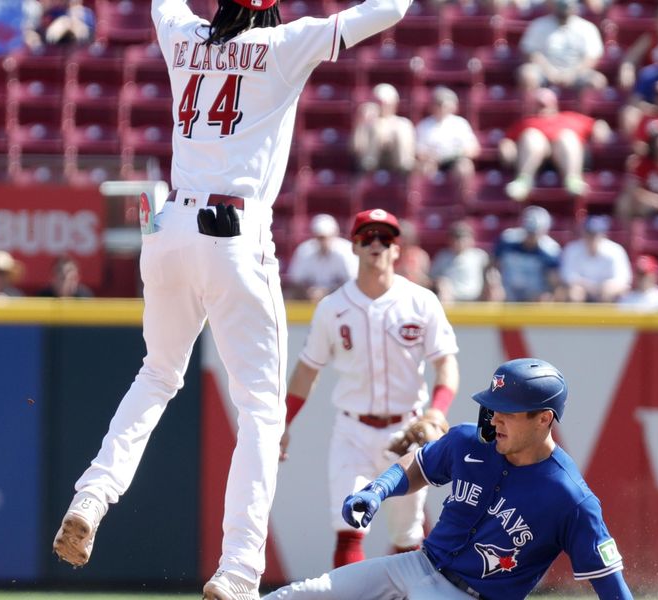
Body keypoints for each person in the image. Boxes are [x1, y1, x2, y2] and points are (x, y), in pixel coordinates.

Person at [51, 0, 416, 598]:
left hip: (167, 225)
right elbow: (390, 8)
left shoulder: (180, 33)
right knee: (262, 414)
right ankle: (239, 572)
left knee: (157, 374)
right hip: (235, 232)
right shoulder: (285, 44)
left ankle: (91, 497)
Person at [263, 358, 634, 600]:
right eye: (493, 407)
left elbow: (610, 585)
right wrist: (377, 491)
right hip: (417, 565)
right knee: (299, 595)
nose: (494, 418)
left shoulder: (570, 498)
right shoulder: (469, 440)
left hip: (473, 596)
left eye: (507, 411)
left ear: (544, 419)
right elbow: (419, 465)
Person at [280, 208, 459, 569]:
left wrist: (438, 409)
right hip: (353, 429)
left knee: (407, 536)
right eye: (367, 237)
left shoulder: (421, 301)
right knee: (349, 524)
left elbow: (446, 363)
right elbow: (306, 371)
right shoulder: (332, 307)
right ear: (355, 247)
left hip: (408, 430)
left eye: (385, 238)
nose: (376, 244)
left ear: (397, 249)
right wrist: (282, 422)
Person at [500, 87, 612, 201]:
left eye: (546, 103)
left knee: (566, 137)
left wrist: (601, 128)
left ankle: (573, 180)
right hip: (537, 156)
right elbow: (508, 140)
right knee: (531, 136)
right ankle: (523, 181)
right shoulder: (526, 122)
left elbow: (596, 124)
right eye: (539, 103)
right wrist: (507, 147)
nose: (543, 106)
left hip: (566, 153)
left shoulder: (570, 117)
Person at [517, 0, 606, 93]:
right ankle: (532, 106)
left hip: (576, 74)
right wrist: (550, 72)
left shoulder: (587, 27)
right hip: (545, 72)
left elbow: (591, 58)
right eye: (561, 7)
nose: (564, 11)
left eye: (567, 7)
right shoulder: (539, 25)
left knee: (597, 81)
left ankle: (584, 107)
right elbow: (531, 53)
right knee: (527, 74)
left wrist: (572, 74)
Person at [414, 86, 479, 188]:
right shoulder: (424, 125)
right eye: (438, 104)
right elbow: (418, 151)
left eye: (445, 104)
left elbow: (474, 149)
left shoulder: (460, 123)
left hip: (455, 161)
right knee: (423, 168)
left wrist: (456, 154)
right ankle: (427, 199)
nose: (441, 108)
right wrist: (431, 157)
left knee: (465, 167)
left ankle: (463, 201)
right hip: (432, 161)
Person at [494, 205, 562, 302]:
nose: (530, 236)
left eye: (534, 233)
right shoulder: (508, 240)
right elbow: (494, 265)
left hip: (534, 296)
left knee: (546, 299)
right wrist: (495, 283)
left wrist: (547, 295)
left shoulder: (550, 250)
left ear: (544, 231)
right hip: (508, 290)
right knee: (494, 292)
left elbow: (554, 282)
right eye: (528, 232)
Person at [559, 215, 632, 303]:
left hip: (606, 292)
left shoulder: (615, 250)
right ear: (583, 234)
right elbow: (567, 276)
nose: (592, 238)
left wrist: (606, 287)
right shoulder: (572, 249)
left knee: (615, 292)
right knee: (573, 293)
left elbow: (622, 279)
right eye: (589, 233)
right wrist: (590, 287)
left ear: (603, 235)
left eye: (596, 234)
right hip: (583, 290)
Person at [285, 214, 358, 302]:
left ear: (335, 234)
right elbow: (295, 281)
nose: (323, 241)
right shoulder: (305, 251)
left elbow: (353, 283)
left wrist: (326, 292)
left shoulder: (346, 251)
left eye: (326, 237)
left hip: (341, 301)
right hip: (309, 300)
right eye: (320, 237)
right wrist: (309, 291)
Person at [351, 83, 416, 174]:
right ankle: (369, 171)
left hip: (397, 165)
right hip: (369, 165)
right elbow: (356, 147)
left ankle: (404, 176)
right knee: (375, 129)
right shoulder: (368, 122)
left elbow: (411, 151)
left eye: (387, 103)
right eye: (380, 103)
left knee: (399, 131)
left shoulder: (403, 123)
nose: (383, 106)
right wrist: (361, 123)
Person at [429, 220, 493, 303]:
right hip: (451, 299)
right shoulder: (443, 256)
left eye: (463, 237)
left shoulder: (480, 255)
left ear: (471, 239)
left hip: (476, 298)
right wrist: (441, 283)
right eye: (456, 238)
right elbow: (432, 277)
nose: (460, 242)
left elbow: (490, 274)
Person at [393, 218, 431, 289]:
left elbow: (425, 281)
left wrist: (416, 274)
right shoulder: (389, 255)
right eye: (400, 236)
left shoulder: (420, 255)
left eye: (406, 236)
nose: (403, 240)